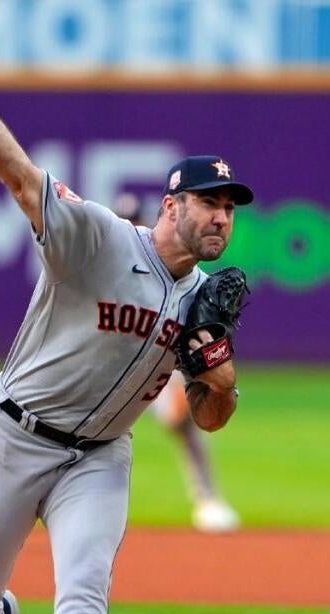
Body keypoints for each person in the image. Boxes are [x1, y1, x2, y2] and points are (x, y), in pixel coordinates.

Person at [0, 16, 254, 614]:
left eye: (231, 207)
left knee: (85, 588)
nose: (221, 215)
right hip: (16, 432)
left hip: (98, 458)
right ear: (170, 205)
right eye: (209, 201)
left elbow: (211, 418)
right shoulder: (99, 238)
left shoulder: (208, 300)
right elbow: (18, 175)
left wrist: (219, 375)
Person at [113, 193, 241, 534]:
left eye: (136, 219)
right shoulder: (106, 262)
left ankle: (208, 499)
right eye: (125, 220)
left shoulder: (177, 274)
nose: (132, 226)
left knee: (181, 423)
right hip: (109, 361)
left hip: (158, 357)